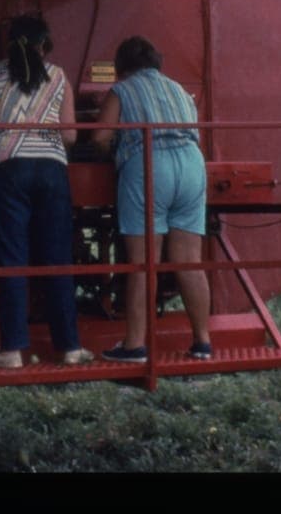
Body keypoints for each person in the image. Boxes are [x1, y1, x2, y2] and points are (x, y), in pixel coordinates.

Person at [0, 15, 94, 368]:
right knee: (57, 258)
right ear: (44, 45)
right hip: (52, 170)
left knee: (13, 259)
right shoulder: (58, 77)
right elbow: (69, 135)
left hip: (7, 169)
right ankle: (69, 348)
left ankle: (11, 350)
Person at [93, 36, 211, 362]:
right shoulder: (179, 90)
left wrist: (110, 149)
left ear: (121, 67)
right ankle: (202, 342)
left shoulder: (122, 90)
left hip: (149, 164)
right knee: (189, 260)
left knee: (144, 263)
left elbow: (101, 136)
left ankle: (134, 345)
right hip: (191, 163)